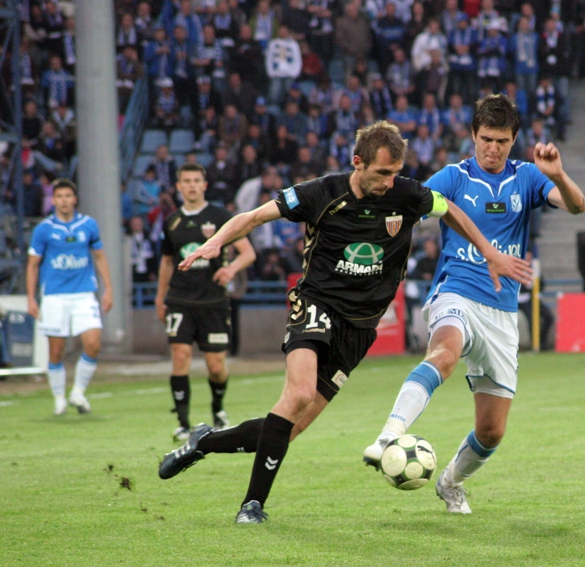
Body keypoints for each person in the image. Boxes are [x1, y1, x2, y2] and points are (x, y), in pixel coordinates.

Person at [156, 121, 532, 524]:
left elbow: (450, 210)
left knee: (288, 428)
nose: (389, 182)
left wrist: (489, 252)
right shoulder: (320, 193)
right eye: (382, 173)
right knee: (298, 395)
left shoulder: (406, 194)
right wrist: (216, 242)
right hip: (315, 305)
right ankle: (252, 506)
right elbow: (253, 217)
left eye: (395, 173)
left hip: (359, 328)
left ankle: (203, 442)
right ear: (358, 162)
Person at [363, 95, 585, 514]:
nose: (493, 149)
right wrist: (390, 225)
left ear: (514, 140)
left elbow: (577, 206)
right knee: (444, 354)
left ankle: (450, 483)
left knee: (492, 430)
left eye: (502, 141)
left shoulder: (527, 177)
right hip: (457, 291)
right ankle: (388, 435)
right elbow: (413, 205)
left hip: (501, 312)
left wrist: (558, 173)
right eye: (486, 139)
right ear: (473, 135)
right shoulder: (454, 177)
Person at [156, 163, 256, 441]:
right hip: (180, 298)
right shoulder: (171, 222)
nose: (191, 185)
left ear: (204, 185)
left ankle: (218, 409)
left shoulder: (220, 217)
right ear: (178, 186)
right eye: (186, 181)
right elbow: (166, 262)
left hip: (213, 301)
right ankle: (182, 423)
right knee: (180, 356)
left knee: (216, 366)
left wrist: (230, 269)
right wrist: (160, 297)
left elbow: (248, 253)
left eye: (196, 181)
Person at [25, 180, 114, 416]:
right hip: (54, 295)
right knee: (56, 350)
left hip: (84, 293)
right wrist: (31, 298)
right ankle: (59, 399)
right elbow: (33, 265)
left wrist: (108, 289)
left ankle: (78, 393)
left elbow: (100, 257)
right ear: (53, 200)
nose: (64, 201)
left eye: (68, 196)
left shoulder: (88, 225)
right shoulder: (43, 229)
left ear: (75, 199)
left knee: (93, 344)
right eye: (59, 196)